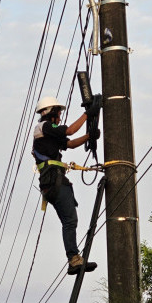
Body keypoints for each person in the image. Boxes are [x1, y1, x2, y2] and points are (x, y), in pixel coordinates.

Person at [33, 95, 100, 275]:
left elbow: (69, 144)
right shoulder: (45, 126)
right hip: (54, 181)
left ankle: (74, 258)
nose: (60, 117)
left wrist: (89, 136)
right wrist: (88, 114)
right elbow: (70, 131)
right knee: (70, 221)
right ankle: (74, 259)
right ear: (51, 113)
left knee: (69, 221)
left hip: (53, 182)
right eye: (59, 113)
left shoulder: (48, 133)